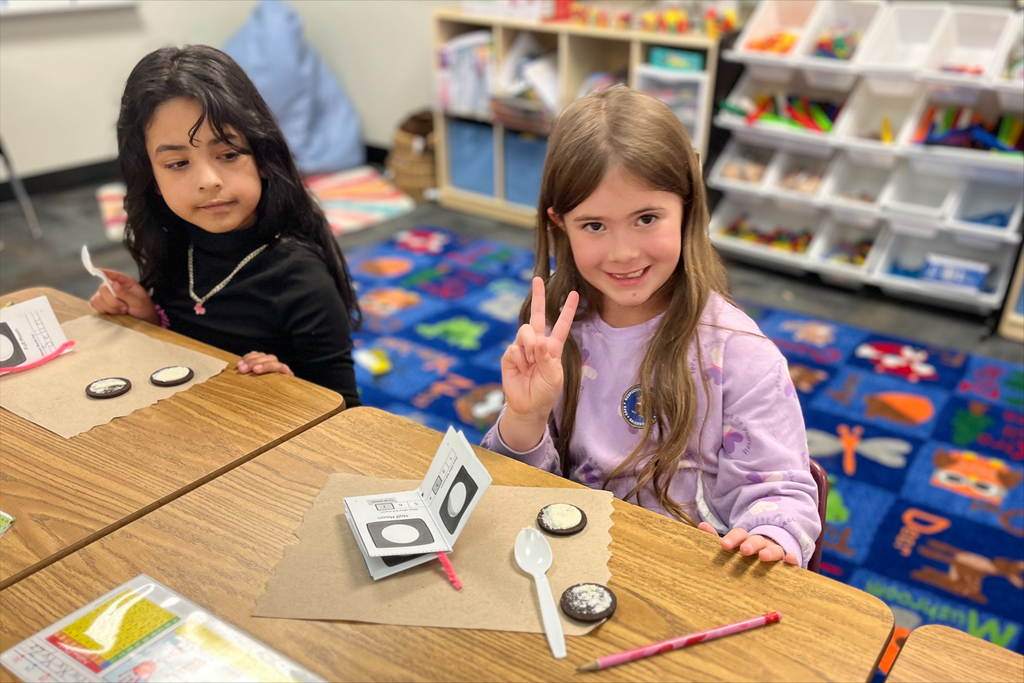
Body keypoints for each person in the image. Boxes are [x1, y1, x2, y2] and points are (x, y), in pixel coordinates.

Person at [481, 86, 820, 566]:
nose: (623, 253)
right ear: (560, 223)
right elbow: (523, 491)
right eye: (594, 226)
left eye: (646, 218)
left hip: (694, 578)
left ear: (686, 207)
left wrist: (767, 537)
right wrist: (526, 418)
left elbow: (783, 495)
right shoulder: (557, 332)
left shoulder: (742, 354)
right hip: (576, 563)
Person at [90, 45, 361, 408]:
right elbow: (192, 351)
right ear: (152, 178)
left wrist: (291, 393)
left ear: (263, 157)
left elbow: (347, 413)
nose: (208, 180)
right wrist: (149, 318)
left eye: (229, 154)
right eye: (177, 163)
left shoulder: (300, 279)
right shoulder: (173, 239)